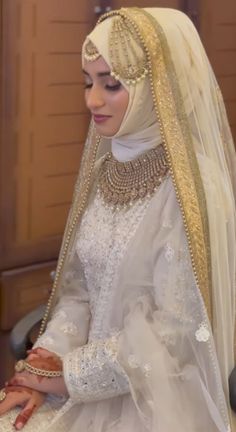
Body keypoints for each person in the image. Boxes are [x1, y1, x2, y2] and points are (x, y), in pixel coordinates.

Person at [0, 6, 235, 432]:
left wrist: (69, 376)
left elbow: (176, 333)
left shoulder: (193, 187)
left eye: (112, 85)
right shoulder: (109, 168)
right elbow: (79, 292)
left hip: (156, 398)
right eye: (88, 83)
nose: (92, 100)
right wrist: (43, 367)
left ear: (159, 88)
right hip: (80, 377)